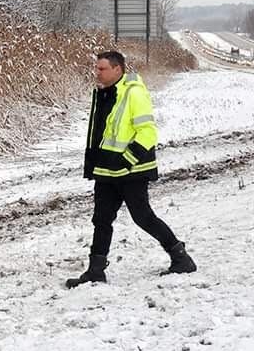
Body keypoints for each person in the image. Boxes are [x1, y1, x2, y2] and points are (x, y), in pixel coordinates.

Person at [67, 51, 196, 289]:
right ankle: (95, 270)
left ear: (118, 69)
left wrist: (126, 160)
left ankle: (180, 257)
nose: (97, 73)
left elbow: (148, 133)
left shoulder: (134, 93)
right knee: (101, 219)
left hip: (131, 170)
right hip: (106, 170)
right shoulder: (105, 94)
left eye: (102, 69)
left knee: (143, 217)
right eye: (97, 68)